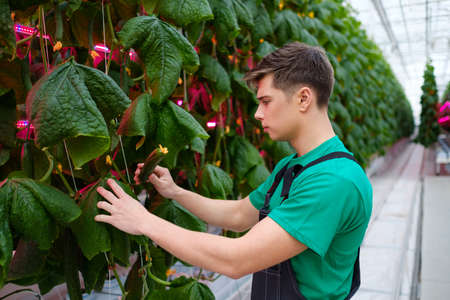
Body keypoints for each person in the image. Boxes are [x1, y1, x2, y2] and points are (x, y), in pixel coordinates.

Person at [95, 42, 373, 299]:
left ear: (303, 99)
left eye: (266, 101)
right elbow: (240, 215)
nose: (257, 114)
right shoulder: (293, 166)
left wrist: (143, 221)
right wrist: (175, 192)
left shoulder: (334, 181)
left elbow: (237, 259)